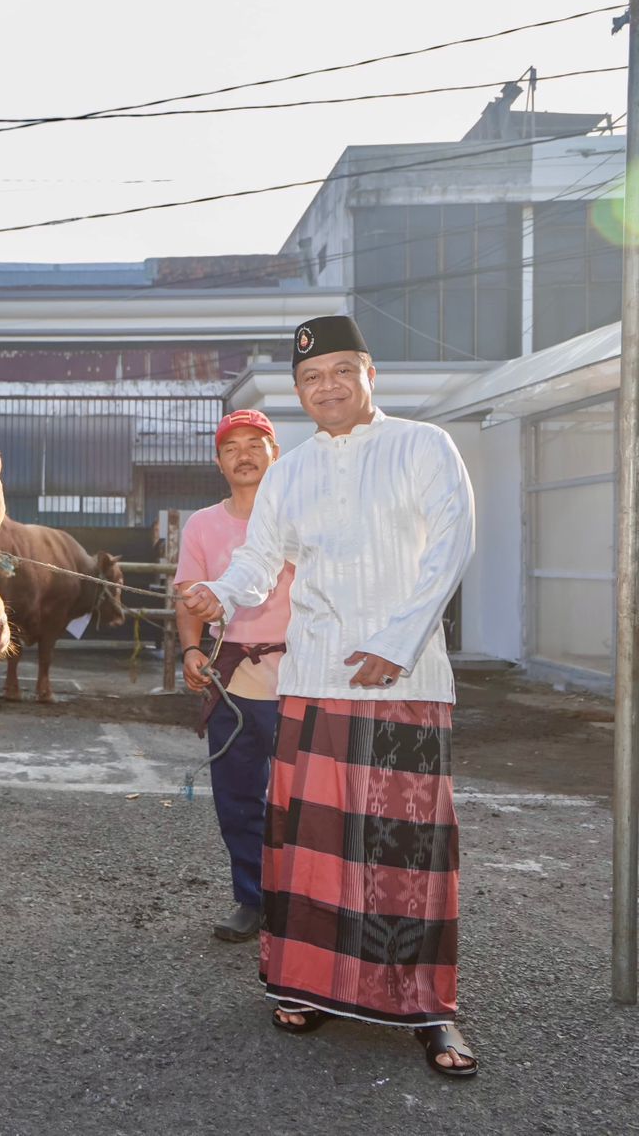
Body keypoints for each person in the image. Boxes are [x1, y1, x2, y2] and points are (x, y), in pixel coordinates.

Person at [182, 315, 478, 1078]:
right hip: (311, 681)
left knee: (409, 855)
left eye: (342, 371)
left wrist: (398, 641)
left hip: (404, 682)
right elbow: (258, 562)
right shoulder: (292, 472)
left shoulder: (423, 446)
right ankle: (311, 987)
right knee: (313, 854)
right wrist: (220, 595)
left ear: (370, 374)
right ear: (299, 391)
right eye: (311, 378)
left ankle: (430, 1010)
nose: (328, 387)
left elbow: (452, 547)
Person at [174, 408, 292, 944]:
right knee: (237, 797)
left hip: (299, 676)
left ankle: (304, 903)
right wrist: (190, 650)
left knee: (303, 798)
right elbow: (189, 596)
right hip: (231, 679)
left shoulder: (299, 520)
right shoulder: (202, 524)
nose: (243, 456)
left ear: (275, 454)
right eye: (231, 448)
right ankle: (252, 898)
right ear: (219, 462)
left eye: (254, 444)